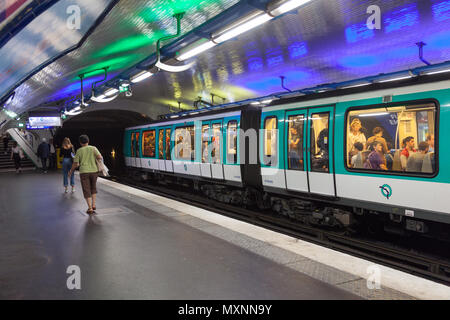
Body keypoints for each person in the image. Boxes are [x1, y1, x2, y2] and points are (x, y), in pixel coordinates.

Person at [68, 135, 103, 215]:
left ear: (80, 142)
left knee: (86, 189)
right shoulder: (93, 148)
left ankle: (90, 208)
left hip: (84, 172)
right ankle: (94, 204)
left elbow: (75, 164)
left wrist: (71, 171)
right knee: (93, 187)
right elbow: (99, 157)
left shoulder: (79, 151)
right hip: (94, 171)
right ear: (88, 141)